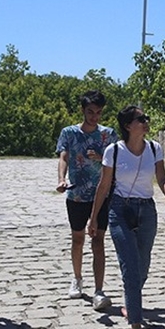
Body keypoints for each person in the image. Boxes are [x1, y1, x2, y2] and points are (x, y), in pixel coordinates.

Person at [87, 105, 165, 329]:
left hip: (146, 210)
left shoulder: (154, 148)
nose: (146, 122)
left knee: (143, 265)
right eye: (142, 119)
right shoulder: (114, 151)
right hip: (120, 209)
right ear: (128, 125)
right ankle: (136, 323)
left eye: (146, 118)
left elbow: (161, 177)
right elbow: (104, 186)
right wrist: (94, 217)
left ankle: (131, 302)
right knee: (130, 265)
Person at [55, 90, 117, 309]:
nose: (94, 117)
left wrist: (101, 158)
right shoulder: (69, 133)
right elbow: (63, 156)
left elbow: (117, 160)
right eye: (90, 112)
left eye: (98, 112)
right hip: (77, 194)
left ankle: (99, 290)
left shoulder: (108, 134)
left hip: (101, 194)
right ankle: (77, 278)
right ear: (83, 110)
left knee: (98, 240)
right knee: (78, 238)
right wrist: (62, 179)